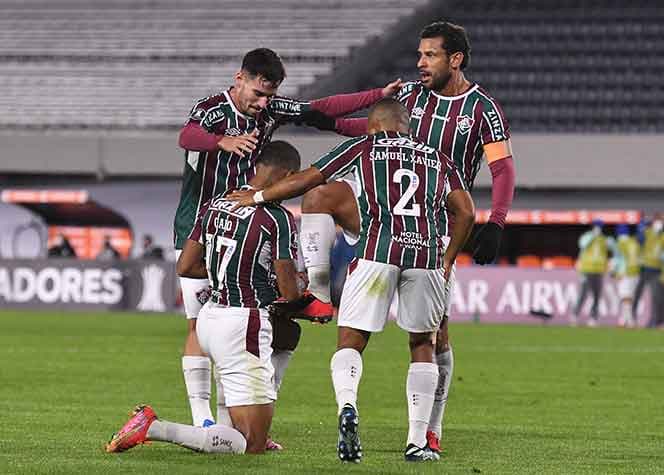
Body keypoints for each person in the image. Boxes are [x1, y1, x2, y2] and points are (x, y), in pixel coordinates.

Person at [291, 21, 515, 452]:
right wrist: (321, 117)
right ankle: (318, 289)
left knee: (435, 335)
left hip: (435, 226)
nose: (420, 63)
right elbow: (364, 128)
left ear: (456, 59)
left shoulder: (482, 109)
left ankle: (431, 429)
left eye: (429, 55)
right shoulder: (410, 96)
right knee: (319, 196)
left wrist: (498, 221)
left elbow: (502, 168)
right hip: (382, 214)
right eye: (419, 54)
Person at [226, 99, 476, 462]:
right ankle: (418, 441)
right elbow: (466, 211)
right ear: (407, 126)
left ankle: (348, 405)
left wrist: (258, 195)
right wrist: (449, 257)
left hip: (377, 252)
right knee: (423, 343)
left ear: (373, 125)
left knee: (351, 341)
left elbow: (308, 180)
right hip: (426, 257)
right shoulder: (437, 157)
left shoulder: (363, 146)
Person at [173, 47, 403, 430]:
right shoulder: (212, 110)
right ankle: (203, 420)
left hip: (248, 228)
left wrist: (378, 100)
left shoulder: (271, 110)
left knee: (253, 323)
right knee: (198, 322)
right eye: (257, 93)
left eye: (269, 96)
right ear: (239, 78)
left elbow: (324, 111)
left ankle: (233, 424)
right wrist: (222, 143)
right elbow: (187, 135)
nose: (262, 103)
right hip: (200, 224)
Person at [107, 141, 307, 455]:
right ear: (288, 174)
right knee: (251, 445)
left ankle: (231, 424)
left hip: (210, 318)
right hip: (244, 322)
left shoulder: (216, 203)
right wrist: (308, 302)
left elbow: (186, 266)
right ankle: (154, 427)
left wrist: (223, 277)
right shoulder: (276, 217)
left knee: (229, 435)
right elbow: (289, 290)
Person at [572, 220, 617, 327]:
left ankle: (593, 318)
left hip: (599, 271)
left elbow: (614, 249)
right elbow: (582, 244)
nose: (598, 228)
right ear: (593, 227)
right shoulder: (587, 236)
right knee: (583, 294)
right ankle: (575, 315)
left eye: (600, 227)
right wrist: (592, 236)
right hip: (587, 270)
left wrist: (611, 242)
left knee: (597, 296)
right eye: (597, 226)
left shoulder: (604, 239)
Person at [632, 214, 664, 327]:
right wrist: (642, 227)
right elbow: (639, 240)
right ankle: (632, 318)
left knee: (657, 297)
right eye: (659, 220)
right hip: (644, 269)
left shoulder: (662, 236)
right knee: (637, 294)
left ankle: (655, 321)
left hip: (657, 270)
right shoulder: (648, 232)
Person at [611, 224, 640, 327]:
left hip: (625, 273)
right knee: (629, 298)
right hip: (635, 272)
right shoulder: (634, 242)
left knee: (625, 297)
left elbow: (618, 259)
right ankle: (625, 320)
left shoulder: (620, 243)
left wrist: (615, 272)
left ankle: (629, 321)